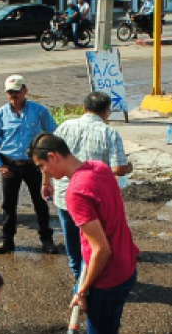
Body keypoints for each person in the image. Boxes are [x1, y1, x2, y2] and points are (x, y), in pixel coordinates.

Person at [29, 134, 139, 334]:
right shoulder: (98, 168)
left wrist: (82, 290)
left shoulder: (76, 192)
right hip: (126, 267)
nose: (43, 172)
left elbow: (101, 249)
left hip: (107, 278)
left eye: (42, 166)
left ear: (53, 156)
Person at [46, 92, 132, 281]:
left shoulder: (65, 126)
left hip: (64, 196)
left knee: (73, 245)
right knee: (94, 243)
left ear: (84, 108)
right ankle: (90, 283)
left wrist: (46, 182)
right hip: (92, 199)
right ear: (106, 111)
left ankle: (79, 278)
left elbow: (47, 155)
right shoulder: (108, 132)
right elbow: (117, 168)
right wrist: (128, 167)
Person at [0, 75, 58, 255]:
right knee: (8, 205)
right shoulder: (0, 115)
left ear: (25, 91)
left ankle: (46, 239)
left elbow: (53, 134)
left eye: (17, 91)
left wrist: (47, 161)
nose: (14, 95)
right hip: (9, 166)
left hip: (33, 165)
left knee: (40, 203)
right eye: (10, 92)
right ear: (5, 93)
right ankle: (7, 240)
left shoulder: (39, 111)